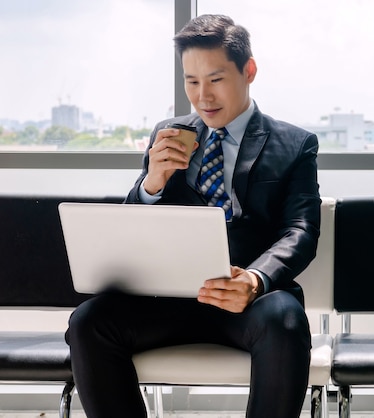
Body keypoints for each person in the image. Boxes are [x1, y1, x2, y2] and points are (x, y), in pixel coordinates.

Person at [65, 14, 321, 418]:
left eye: (216, 79)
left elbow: (301, 229)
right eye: (191, 82)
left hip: (249, 302)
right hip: (169, 299)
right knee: (88, 321)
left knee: (286, 319)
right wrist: (152, 183)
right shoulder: (168, 133)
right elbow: (132, 228)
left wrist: (255, 279)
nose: (203, 96)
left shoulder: (295, 144)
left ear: (248, 71)